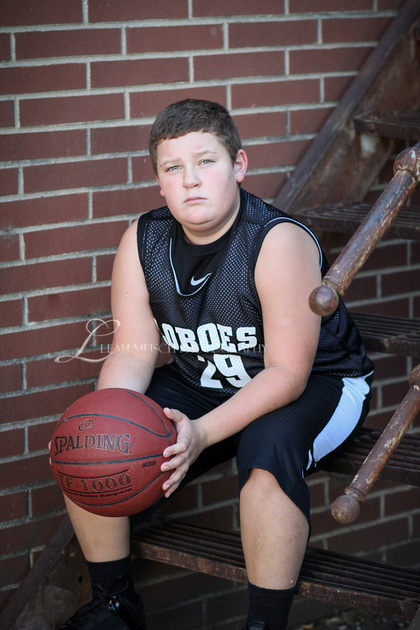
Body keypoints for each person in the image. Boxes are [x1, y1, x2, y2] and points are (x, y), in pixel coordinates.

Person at [58, 99, 374, 630]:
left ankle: (264, 624)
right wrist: (105, 416)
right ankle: (115, 604)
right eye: (173, 168)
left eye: (206, 162)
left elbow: (287, 374)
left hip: (319, 382)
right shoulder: (143, 240)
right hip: (207, 377)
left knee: (266, 450)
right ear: (158, 181)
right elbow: (133, 351)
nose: (190, 181)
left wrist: (200, 433)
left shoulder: (276, 240)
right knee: (90, 439)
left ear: (239, 166)